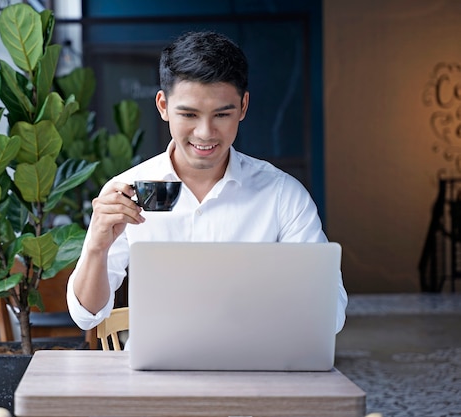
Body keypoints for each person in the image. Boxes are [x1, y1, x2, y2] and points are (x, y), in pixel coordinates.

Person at [67, 31, 348, 345]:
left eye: (222, 115)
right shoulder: (127, 191)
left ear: (243, 106)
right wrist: (96, 245)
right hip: (157, 378)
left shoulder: (282, 195)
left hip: (255, 371)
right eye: (188, 114)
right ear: (163, 105)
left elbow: (332, 314)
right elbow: (86, 315)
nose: (205, 133)